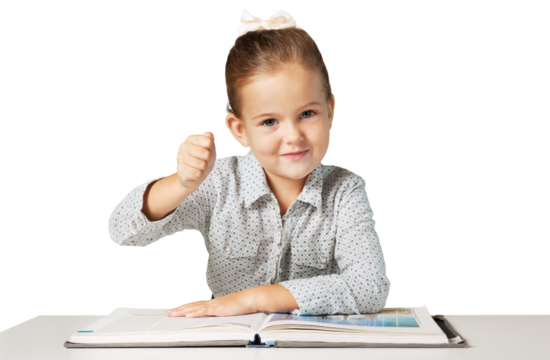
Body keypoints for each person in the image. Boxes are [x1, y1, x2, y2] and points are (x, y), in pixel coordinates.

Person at [106, 9, 392, 318]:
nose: (293, 136)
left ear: (329, 109)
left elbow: (371, 287)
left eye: (307, 114)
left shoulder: (345, 191)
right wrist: (181, 183)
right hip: (229, 344)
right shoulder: (218, 182)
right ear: (240, 129)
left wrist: (254, 299)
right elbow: (121, 231)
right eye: (270, 121)